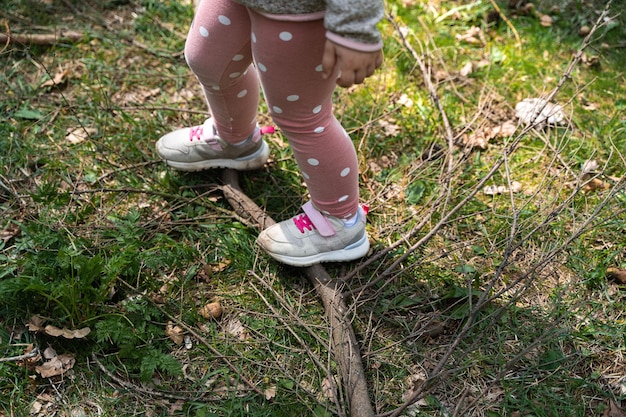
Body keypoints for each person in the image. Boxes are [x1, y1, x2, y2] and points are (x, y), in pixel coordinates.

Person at [156, 0, 384, 267]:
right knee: (208, 62)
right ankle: (235, 139)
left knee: (302, 115)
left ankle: (341, 221)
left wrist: (355, 28)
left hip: (297, 12)